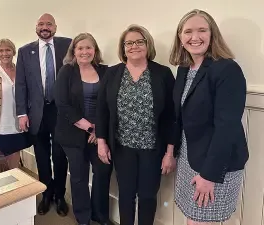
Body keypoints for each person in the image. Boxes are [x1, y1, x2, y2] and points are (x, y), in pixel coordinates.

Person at [169, 9, 249, 225]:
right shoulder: (185, 69)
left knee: (201, 221)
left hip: (216, 164)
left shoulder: (227, 69)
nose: (195, 37)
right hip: (190, 157)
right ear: (180, 37)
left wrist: (209, 176)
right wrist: (171, 151)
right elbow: (178, 116)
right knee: (192, 218)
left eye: (202, 30)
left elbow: (227, 127)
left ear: (212, 34)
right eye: (188, 32)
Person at [96, 24, 176, 225]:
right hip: (122, 147)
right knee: (126, 195)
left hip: (152, 148)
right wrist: (101, 142)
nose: (134, 46)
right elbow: (102, 111)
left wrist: (170, 152)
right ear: (123, 48)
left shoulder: (163, 73)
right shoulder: (112, 73)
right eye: (129, 43)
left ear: (148, 45)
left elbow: (171, 116)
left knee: (148, 196)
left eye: (139, 41)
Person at [15, 13, 71, 216]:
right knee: (41, 155)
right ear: (36, 27)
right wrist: (21, 113)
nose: (45, 27)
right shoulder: (24, 51)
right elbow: (20, 85)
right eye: (41, 24)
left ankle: (60, 195)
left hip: (61, 111)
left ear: (55, 27)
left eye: (49, 24)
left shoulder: (69, 45)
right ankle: (46, 194)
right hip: (36, 112)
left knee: (60, 155)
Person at [55, 33, 114, 225]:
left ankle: (100, 215)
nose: (84, 52)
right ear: (74, 51)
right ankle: (84, 218)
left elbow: (110, 103)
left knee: (102, 173)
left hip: (99, 134)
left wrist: (99, 131)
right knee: (79, 177)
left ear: (95, 50)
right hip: (72, 134)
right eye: (80, 48)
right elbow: (63, 105)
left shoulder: (105, 71)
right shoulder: (66, 71)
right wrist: (90, 128)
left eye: (89, 47)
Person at [0, 39, 31, 169]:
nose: (5, 53)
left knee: (14, 158)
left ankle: (13, 186)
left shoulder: (22, 71)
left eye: (8, 50)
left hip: (18, 123)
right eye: (1, 50)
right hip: (0, 125)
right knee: (0, 161)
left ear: (13, 52)